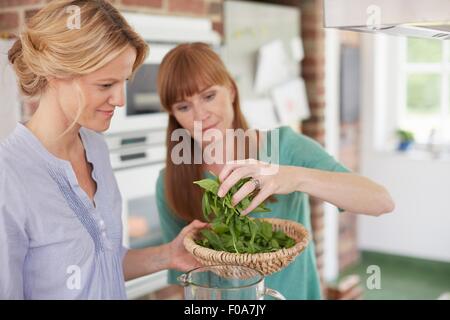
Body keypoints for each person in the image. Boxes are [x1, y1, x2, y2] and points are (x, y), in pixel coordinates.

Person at [0, 0, 206, 299]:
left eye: (124, 82)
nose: (120, 99)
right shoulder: (9, 176)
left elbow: (101, 261)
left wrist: (169, 255)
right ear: (56, 74)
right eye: (106, 84)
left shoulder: (95, 147)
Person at [155, 42, 395, 300]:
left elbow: (380, 201)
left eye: (209, 96)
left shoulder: (284, 148)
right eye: (183, 107)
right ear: (174, 116)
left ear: (232, 91)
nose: (200, 115)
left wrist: (292, 176)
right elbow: (179, 280)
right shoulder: (171, 182)